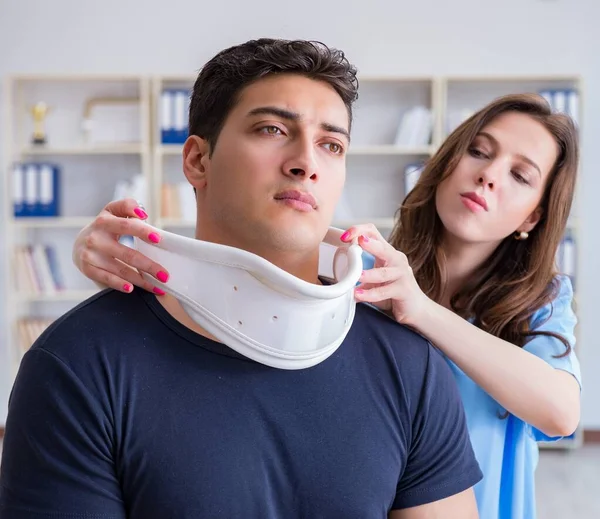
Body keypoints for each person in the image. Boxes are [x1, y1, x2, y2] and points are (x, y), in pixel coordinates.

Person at [0, 39, 482, 519]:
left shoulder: (409, 367)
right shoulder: (78, 363)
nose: (306, 163)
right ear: (197, 161)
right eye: (272, 129)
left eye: (330, 145)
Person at [71, 91, 582, 519]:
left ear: (532, 218)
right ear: (448, 161)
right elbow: (250, 251)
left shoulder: (540, 302)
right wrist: (120, 245)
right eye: (479, 151)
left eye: (520, 175)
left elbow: (560, 413)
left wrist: (421, 310)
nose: (489, 175)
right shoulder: (361, 264)